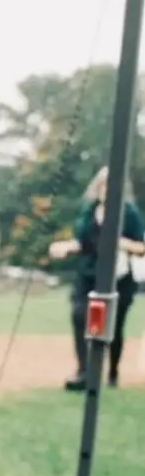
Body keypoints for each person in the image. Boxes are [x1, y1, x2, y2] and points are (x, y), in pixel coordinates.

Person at [49, 165, 145, 389]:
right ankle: (84, 371)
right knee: (80, 315)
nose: (107, 190)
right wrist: (66, 247)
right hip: (89, 272)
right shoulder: (89, 211)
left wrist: (120, 242)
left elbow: (141, 246)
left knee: (113, 326)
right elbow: (83, 241)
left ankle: (112, 372)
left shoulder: (128, 213)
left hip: (119, 277)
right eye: (104, 185)